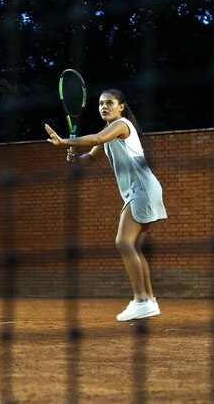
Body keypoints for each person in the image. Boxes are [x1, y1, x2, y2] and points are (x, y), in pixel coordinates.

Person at [45, 88, 167, 321]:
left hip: (141, 188)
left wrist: (64, 142)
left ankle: (140, 300)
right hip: (142, 189)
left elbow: (98, 139)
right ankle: (149, 301)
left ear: (121, 107)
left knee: (123, 241)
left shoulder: (121, 125)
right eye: (101, 104)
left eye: (110, 103)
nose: (104, 107)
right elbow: (90, 157)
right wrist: (72, 156)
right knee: (134, 247)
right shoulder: (109, 133)